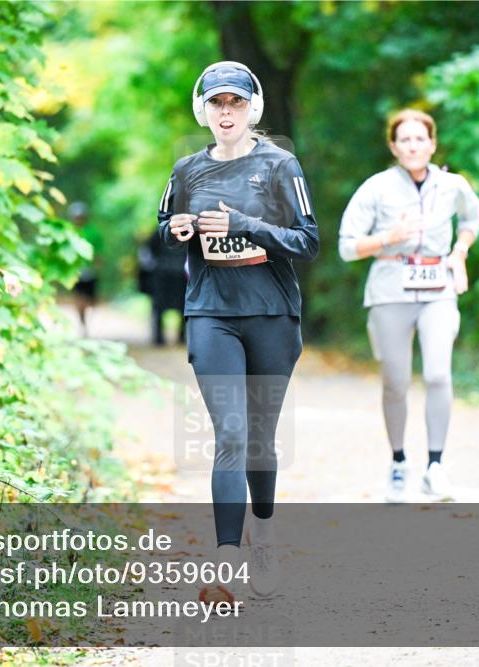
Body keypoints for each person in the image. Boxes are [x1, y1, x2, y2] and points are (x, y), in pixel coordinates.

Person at [157, 61, 319, 602]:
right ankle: (224, 563)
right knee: (229, 434)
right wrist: (177, 230)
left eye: (237, 103)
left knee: (259, 440)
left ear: (254, 108)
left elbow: (308, 241)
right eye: (217, 104)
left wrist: (247, 225)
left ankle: (264, 536)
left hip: (272, 313)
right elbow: (164, 228)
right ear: (202, 110)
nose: (227, 113)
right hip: (211, 313)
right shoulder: (186, 170)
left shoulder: (280, 165)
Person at [338, 109, 479, 503]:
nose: (414, 146)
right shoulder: (376, 188)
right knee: (396, 383)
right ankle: (399, 463)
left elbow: (473, 216)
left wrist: (460, 251)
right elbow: (347, 246)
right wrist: (389, 236)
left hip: (438, 290)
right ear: (393, 146)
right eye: (405, 139)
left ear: (433, 144)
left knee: (438, 374)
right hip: (390, 291)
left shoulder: (453, 185)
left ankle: (435, 467)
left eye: (421, 139)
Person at [137, 229, 187, 346]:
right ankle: (178, 337)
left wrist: (150, 267)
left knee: (162, 306)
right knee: (182, 306)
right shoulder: (186, 230)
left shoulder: (160, 231)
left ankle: (161, 338)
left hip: (166, 273)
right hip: (174, 274)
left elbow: (145, 252)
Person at [68, 202, 101, 336]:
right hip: (74, 271)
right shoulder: (68, 232)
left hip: (90, 271)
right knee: (78, 298)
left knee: (90, 300)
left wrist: (98, 264)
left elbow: (98, 252)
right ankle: (82, 323)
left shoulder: (93, 232)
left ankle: (85, 318)